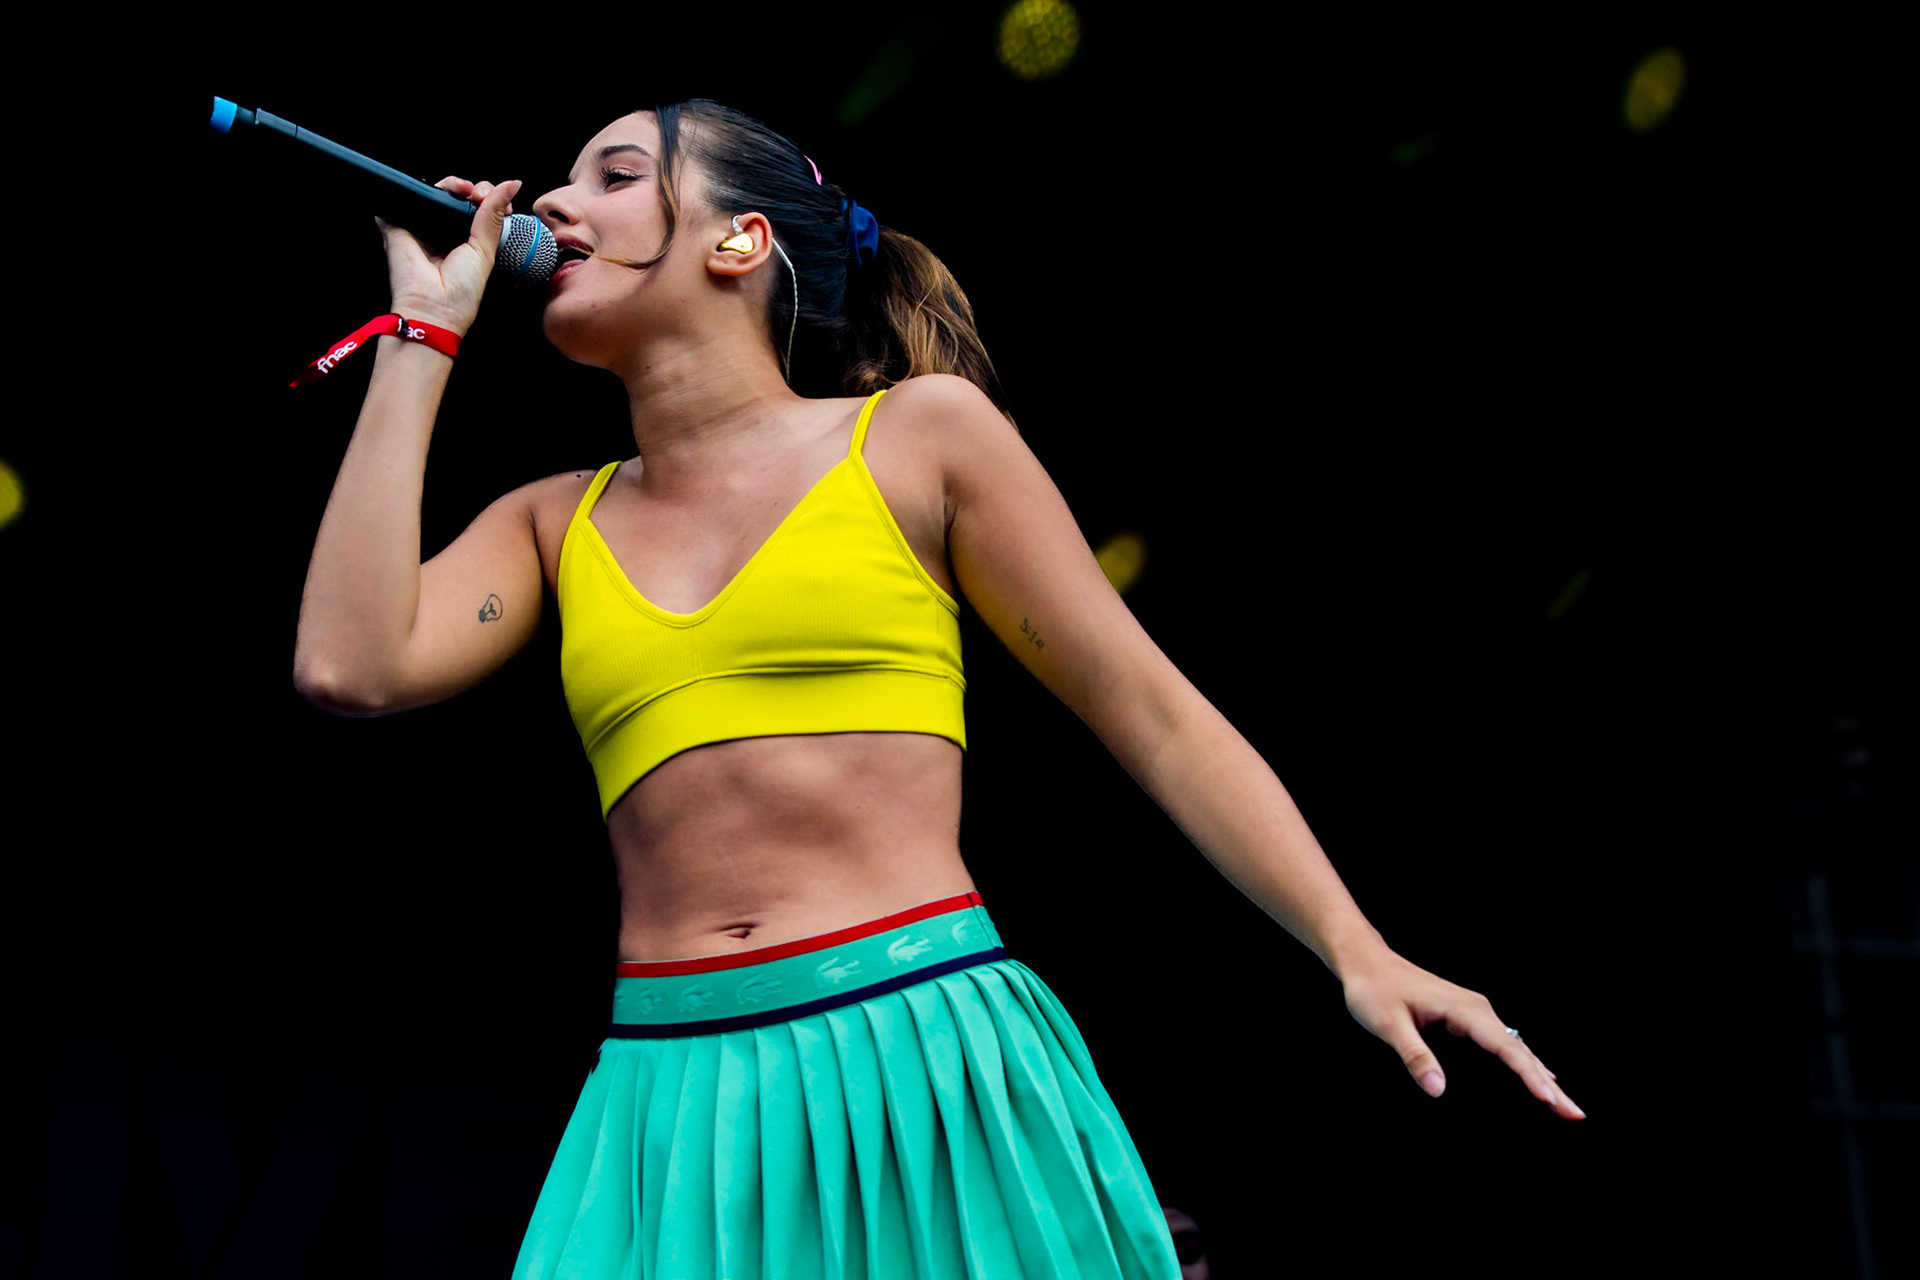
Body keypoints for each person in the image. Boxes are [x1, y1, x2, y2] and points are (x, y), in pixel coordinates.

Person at [293, 99, 1584, 1280]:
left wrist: (1354, 947)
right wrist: (424, 331)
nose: (557, 207)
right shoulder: (547, 526)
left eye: (615, 176)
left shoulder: (918, 437)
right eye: (562, 186)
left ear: (740, 243)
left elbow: (1154, 710)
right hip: (667, 1100)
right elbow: (349, 666)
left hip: (920, 1048)